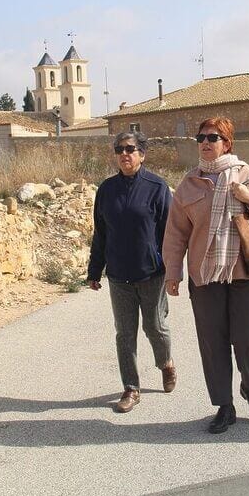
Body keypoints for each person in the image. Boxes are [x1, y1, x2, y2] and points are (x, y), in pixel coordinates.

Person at [163, 117, 249, 433]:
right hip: (205, 276)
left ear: (227, 143)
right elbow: (175, 234)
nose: (205, 142)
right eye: (200, 137)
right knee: (212, 343)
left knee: (245, 338)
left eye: (213, 137)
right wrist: (172, 274)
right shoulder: (189, 184)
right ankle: (224, 406)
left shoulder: (245, 174)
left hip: (246, 272)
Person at [87, 131, 176, 413]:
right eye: (119, 149)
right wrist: (94, 270)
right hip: (118, 275)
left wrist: (172, 269)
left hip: (151, 273)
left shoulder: (157, 187)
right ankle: (131, 388)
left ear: (142, 154)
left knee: (155, 327)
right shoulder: (106, 189)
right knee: (125, 333)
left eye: (130, 149)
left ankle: (166, 363)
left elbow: (170, 233)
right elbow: (100, 233)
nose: (124, 154)